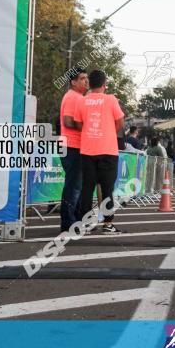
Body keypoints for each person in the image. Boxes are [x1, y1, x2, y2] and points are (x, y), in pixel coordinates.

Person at [73, 69, 126, 234]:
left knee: (87, 188)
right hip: (108, 150)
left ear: (89, 83)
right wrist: (109, 132)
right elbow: (120, 122)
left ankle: (87, 225)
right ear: (104, 84)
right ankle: (108, 224)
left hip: (88, 149)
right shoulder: (111, 100)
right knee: (107, 188)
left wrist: (90, 133)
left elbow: (77, 123)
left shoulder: (82, 101)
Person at [58, 67, 88, 233]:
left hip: (72, 145)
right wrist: (87, 129)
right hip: (71, 145)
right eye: (82, 78)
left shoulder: (79, 97)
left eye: (87, 78)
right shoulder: (72, 97)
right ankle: (68, 222)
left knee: (77, 185)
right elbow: (68, 121)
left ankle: (74, 220)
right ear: (73, 81)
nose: (86, 81)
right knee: (73, 186)